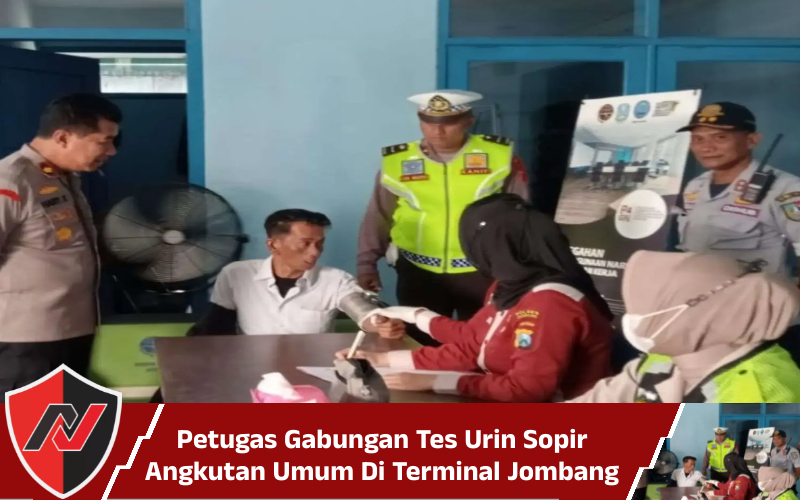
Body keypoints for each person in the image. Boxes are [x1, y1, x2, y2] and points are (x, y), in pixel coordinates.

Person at [338, 194, 615, 402]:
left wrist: (439, 382)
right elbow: (474, 345)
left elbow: (528, 389)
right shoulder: (509, 286)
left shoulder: (551, 304)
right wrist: (383, 360)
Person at [357, 90, 530, 346]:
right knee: (421, 346)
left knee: (484, 344)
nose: (437, 131)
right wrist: (366, 264)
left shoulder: (499, 156)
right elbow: (378, 215)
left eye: (448, 123)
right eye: (428, 122)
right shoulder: (398, 161)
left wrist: (519, 267)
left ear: (469, 121)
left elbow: (521, 216)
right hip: (419, 272)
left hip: (482, 271)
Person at [0, 93, 121, 395]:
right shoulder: (11, 181)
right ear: (63, 137)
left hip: (72, 330)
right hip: (26, 341)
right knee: (27, 425)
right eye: (104, 141)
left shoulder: (62, 177)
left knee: (65, 421)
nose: (112, 151)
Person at [567, 250, 800, 403]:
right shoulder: (669, 356)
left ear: (704, 314)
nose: (632, 318)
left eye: (648, 309)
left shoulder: (764, 395)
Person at [188, 209, 404, 337]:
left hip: (313, 367)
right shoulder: (236, 274)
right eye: (305, 243)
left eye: (320, 243)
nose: (315, 252)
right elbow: (217, 324)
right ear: (273, 245)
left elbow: (362, 311)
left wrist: (380, 324)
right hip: (252, 364)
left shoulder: (335, 280)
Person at [675, 102, 800, 280]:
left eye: (720, 138)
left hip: (752, 294)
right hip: (695, 290)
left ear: (752, 140)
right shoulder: (695, 186)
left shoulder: (785, 188)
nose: (706, 147)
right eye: (698, 139)